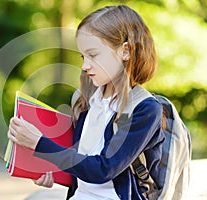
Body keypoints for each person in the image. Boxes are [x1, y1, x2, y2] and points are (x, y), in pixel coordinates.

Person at [8, 4, 165, 200]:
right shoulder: (85, 101)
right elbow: (79, 161)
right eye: (83, 56)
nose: (84, 65)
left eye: (93, 55)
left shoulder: (145, 109)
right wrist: (50, 170)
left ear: (125, 51)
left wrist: (40, 144)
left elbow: (103, 169)